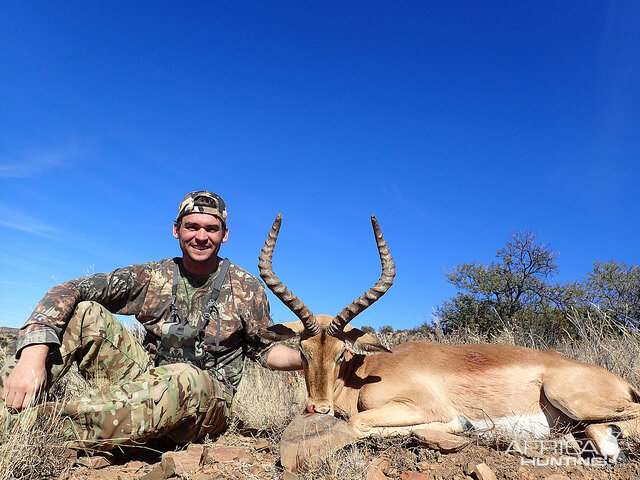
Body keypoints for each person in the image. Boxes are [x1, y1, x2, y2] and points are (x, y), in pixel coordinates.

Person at [0, 191, 303, 450]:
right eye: (192, 226)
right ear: (176, 230)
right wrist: (33, 355)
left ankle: (37, 428)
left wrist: (309, 359)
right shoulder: (152, 275)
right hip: (147, 383)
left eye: (211, 228)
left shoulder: (247, 287)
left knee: (187, 377)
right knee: (83, 313)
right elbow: (69, 289)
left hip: (207, 403)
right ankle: (7, 407)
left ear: (224, 234)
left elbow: (264, 350)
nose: (201, 236)